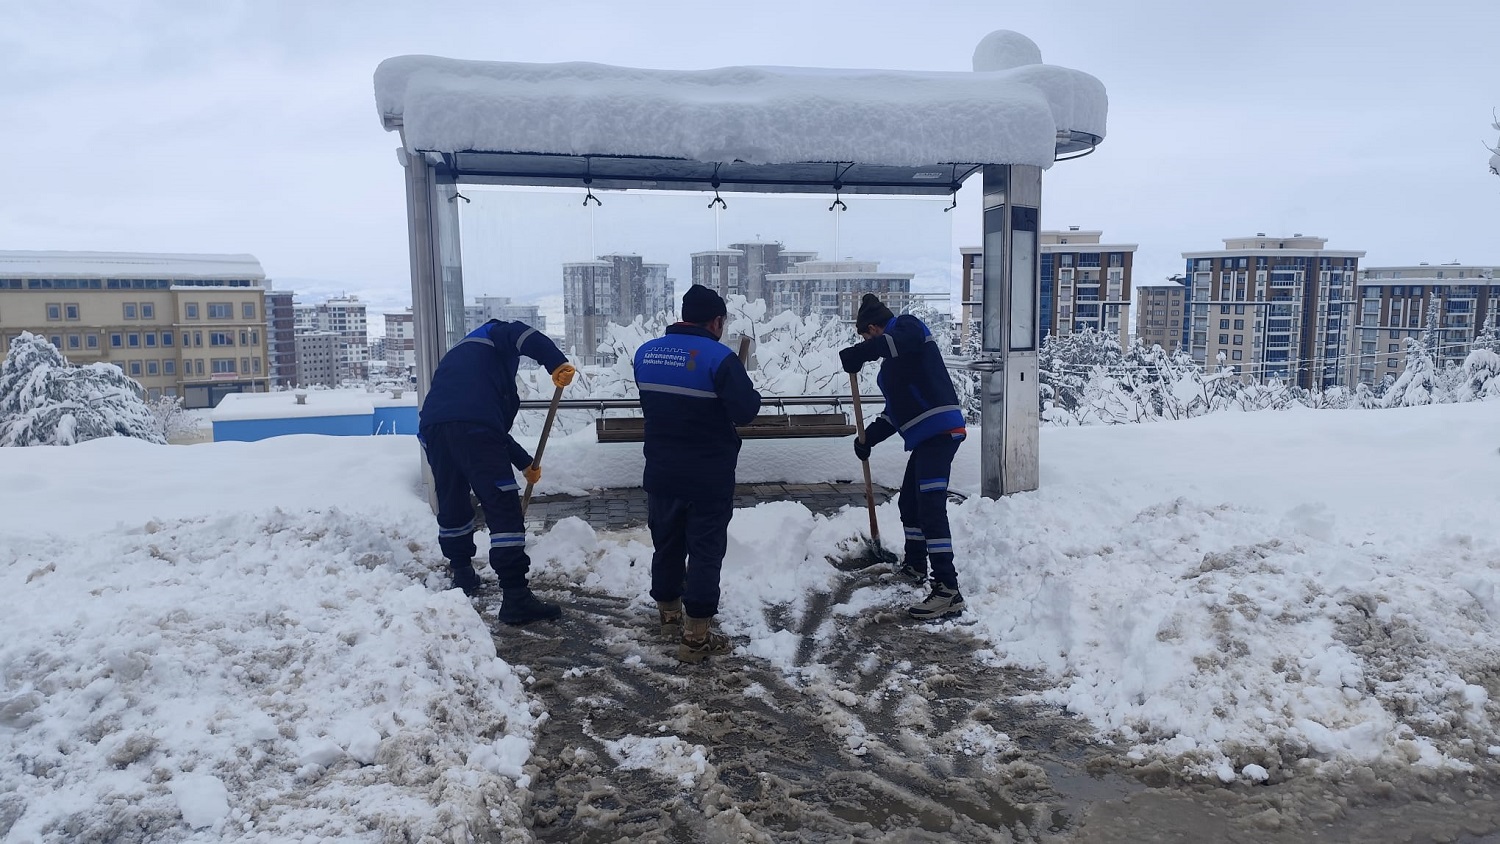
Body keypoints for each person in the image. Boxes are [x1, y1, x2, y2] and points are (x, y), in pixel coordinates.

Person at [418, 318, 576, 625]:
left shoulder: (464, 360)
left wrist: (524, 463)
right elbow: (525, 335)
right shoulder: (495, 332)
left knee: (452, 498)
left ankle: (462, 573)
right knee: (502, 504)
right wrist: (555, 362)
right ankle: (516, 597)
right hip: (473, 428)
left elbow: (489, 431)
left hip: (434, 428)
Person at [634, 284, 762, 663]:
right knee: (705, 551)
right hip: (707, 474)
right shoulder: (719, 359)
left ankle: (669, 615)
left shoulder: (645, 354)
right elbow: (746, 411)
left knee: (667, 543)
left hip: (661, 470)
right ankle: (696, 637)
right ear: (717, 321)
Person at [839, 293, 968, 621]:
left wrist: (861, 352)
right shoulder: (891, 372)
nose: (868, 343)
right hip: (925, 438)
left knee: (931, 506)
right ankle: (914, 567)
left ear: (872, 328)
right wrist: (867, 439)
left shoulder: (907, 328)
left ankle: (948, 590)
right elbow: (895, 414)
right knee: (909, 504)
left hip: (940, 431)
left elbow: (892, 342)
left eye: (866, 337)